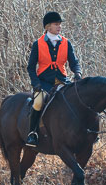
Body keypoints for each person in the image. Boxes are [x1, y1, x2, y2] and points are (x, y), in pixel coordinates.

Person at [25, 11, 82, 147]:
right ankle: (32, 133)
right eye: (56, 24)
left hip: (62, 80)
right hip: (44, 82)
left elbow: (74, 62)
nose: (59, 27)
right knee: (38, 102)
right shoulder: (38, 44)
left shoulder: (66, 43)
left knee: (78, 100)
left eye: (60, 24)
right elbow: (31, 67)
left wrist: (78, 72)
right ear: (48, 27)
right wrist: (36, 83)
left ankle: (83, 132)